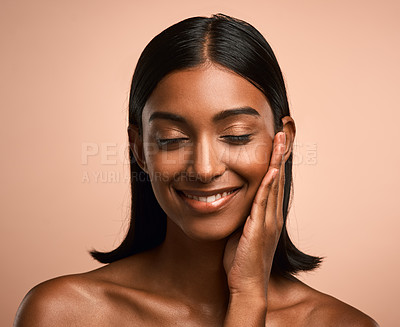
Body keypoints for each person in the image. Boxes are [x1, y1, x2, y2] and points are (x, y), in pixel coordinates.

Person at [14, 13, 379, 326]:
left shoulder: (341, 323)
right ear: (139, 149)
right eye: (172, 139)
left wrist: (249, 297)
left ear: (281, 143)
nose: (204, 169)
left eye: (236, 136)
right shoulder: (64, 313)